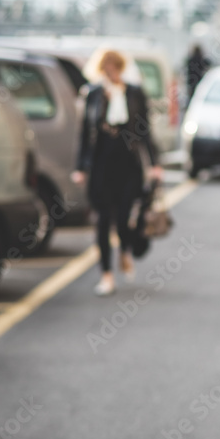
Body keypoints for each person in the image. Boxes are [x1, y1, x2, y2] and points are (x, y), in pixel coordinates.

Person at [72, 49, 163, 296]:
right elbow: (84, 134)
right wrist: (80, 167)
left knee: (123, 218)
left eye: (114, 66)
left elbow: (145, 131)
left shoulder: (134, 94)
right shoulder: (93, 95)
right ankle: (106, 275)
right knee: (102, 221)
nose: (109, 71)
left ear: (121, 68)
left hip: (128, 163)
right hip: (101, 163)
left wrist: (154, 164)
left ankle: (124, 251)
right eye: (105, 67)